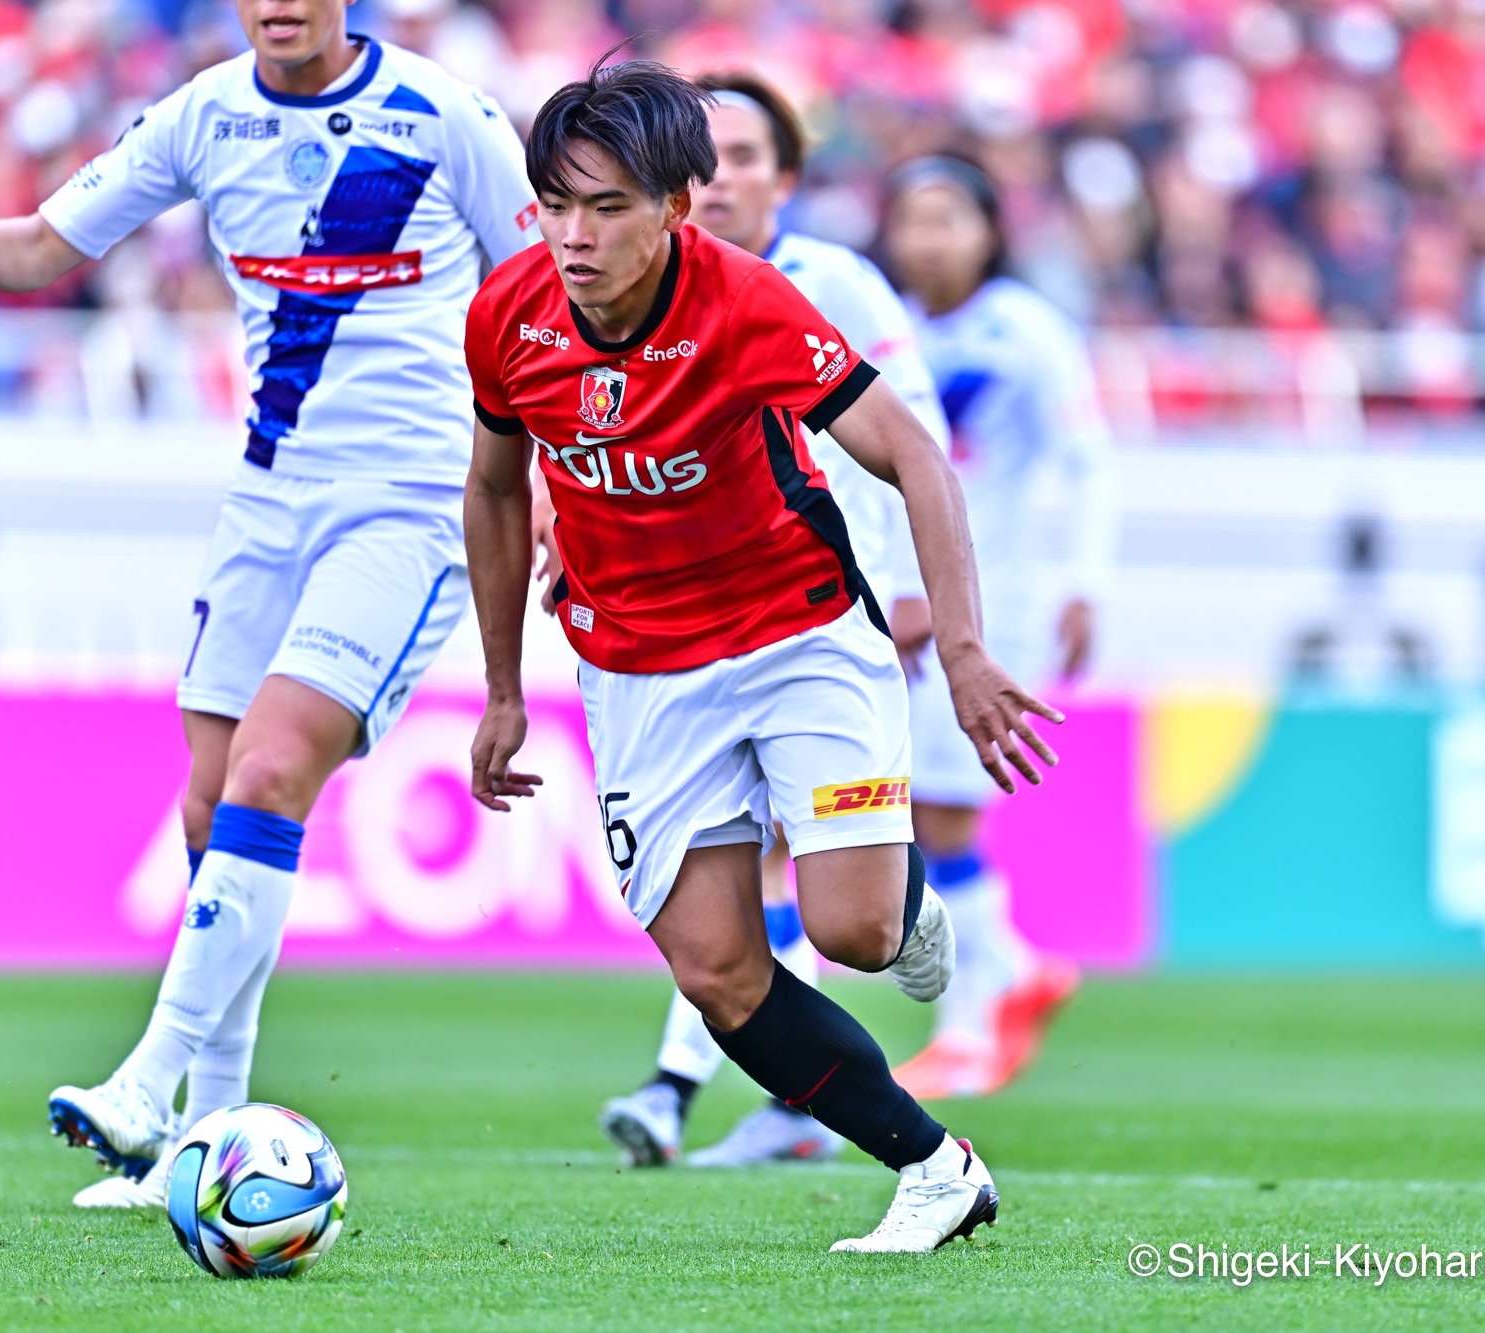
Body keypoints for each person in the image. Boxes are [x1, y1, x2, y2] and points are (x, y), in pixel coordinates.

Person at [0, 0, 536, 1207]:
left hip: (405, 501)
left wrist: (539, 491)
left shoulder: (446, 116)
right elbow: (40, 248)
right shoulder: (203, 116)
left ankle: (150, 1078)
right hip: (267, 496)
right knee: (210, 795)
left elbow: (547, 292)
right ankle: (211, 1132)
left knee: (272, 769)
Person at [463, 57, 1062, 1254]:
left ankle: (897, 909)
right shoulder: (507, 317)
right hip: (636, 673)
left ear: (676, 207)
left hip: (796, 637)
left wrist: (963, 649)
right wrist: (501, 688)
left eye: (609, 206)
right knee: (717, 970)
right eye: (556, 205)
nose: (575, 238)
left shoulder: (749, 305)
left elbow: (916, 456)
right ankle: (938, 1168)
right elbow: (492, 488)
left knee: (848, 934)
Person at [588, 71, 952, 1169]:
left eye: (744, 155)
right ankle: (734, 1087)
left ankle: (702, 1083)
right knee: (728, 902)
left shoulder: (827, 284)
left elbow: (906, 437)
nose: (720, 176)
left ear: (783, 178)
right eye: (703, 157)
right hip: (680, 633)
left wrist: (905, 597)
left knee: (819, 884)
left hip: (822, 610)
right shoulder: (603, 291)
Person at [881, 154, 1119, 1099]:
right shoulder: (878, 320)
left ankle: (972, 1020)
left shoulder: (1026, 331)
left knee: (943, 809)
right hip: (886, 594)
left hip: (989, 598)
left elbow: (1089, 456)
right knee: (905, 808)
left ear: (989, 229)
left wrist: (1085, 583)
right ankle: (1013, 969)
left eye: (948, 217)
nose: (927, 237)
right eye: (912, 217)